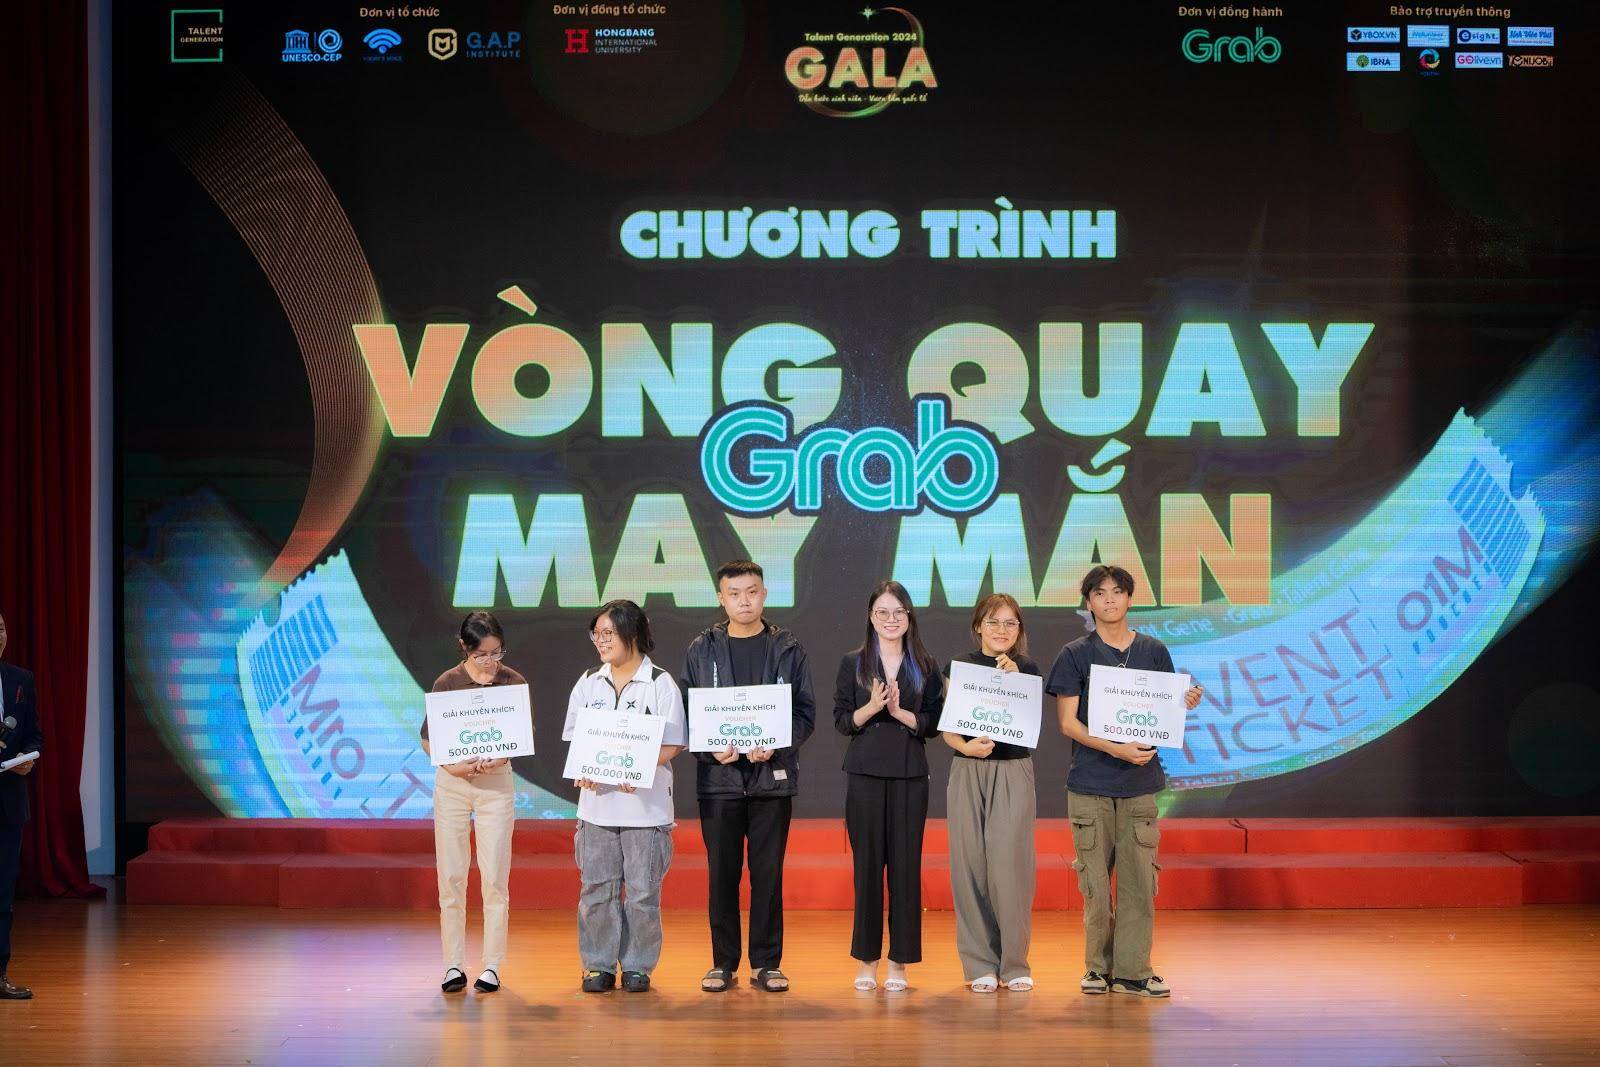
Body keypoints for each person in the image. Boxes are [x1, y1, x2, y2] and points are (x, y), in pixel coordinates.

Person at [1045, 565, 1203, 999]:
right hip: (1090, 784)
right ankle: (1097, 968)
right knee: (1095, 886)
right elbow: (1067, 723)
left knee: (1139, 883)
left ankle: (1134, 972)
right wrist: (1116, 749)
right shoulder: (1074, 654)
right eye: (1100, 593)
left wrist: (1185, 701)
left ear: (1130, 599)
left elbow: (1163, 712)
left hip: (1140, 783)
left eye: (1118, 591)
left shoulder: (1154, 651)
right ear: (1089, 602)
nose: (1110, 599)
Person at [682, 560, 815, 994]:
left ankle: (766, 963)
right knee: (721, 876)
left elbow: (805, 713)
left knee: (767, 876)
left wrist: (776, 744)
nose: (744, 601)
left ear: (764, 594)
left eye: (752, 591)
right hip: (719, 783)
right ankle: (723, 963)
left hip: (770, 781)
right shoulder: (701, 648)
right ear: (721, 598)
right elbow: (687, 713)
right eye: (735, 593)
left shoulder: (788, 647)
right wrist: (709, 749)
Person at [562, 600, 686, 994]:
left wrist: (640, 767)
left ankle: (637, 966)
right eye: (596, 634)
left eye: (608, 634)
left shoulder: (660, 683)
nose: (600, 641)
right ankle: (597, 965)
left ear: (632, 633)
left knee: (643, 893)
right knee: (596, 890)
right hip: (596, 807)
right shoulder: (589, 681)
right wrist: (585, 766)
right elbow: (576, 738)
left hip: (645, 809)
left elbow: (674, 743)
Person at [834, 579, 944, 993]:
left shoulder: (926, 664)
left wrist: (899, 713)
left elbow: (933, 723)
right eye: (883, 612)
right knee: (867, 869)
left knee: (905, 869)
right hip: (864, 773)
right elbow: (842, 720)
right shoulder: (854, 662)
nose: (891, 619)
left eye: (898, 612)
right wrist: (871, 708)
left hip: (909, 775)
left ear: (909, 617)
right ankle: (867, 960)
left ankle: (900, 962)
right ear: (871, 617)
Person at [941, 593, 1040, 994]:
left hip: (1012, 770)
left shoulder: (1027, 669)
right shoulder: (959, 667)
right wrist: (966, 747)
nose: (1002, 630)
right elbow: (948, 728)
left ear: (1019, 630)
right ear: (978, 626)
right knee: (969, 865)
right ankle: (979, 963)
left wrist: (1016, 681)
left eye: (1010, 623)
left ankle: (1014, 964)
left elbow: (1031, 725)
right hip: (968, 769)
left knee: (1010, 866)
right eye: (994, 622)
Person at [420, 611, 524, 995]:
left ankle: (492, 964)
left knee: (495, 874)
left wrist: (501, 756)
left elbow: (520, 735)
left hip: (495, 783)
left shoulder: (512, 682)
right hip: (453, 783)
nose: (491, 662)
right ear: (464, 647)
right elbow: (428, 738)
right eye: (482, 655)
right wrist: (451, 765)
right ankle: (453, 964)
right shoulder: (447, 683)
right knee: (451, 875)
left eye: (497, 653)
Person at [0, 611, 39, 1000]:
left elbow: (33, 734)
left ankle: (0, 974)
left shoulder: (20, 680)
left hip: (8, 802)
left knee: (3, 895)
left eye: (1, 628)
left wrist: (26, 757)